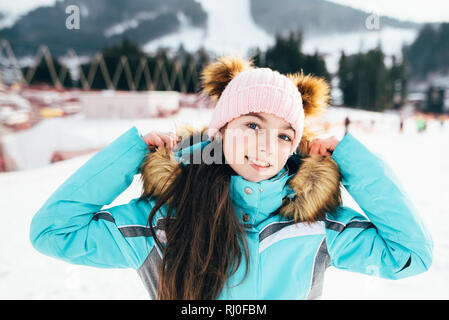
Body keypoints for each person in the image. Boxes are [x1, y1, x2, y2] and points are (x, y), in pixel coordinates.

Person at [30, 55, 433, 300]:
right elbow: (52, 231)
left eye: (284, 135)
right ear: (219, 131)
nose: (266, 147)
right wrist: (131, 154)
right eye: (252, 125)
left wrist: (352, 160)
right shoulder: (162, 222)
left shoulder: (315, 228)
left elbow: (410, 255)